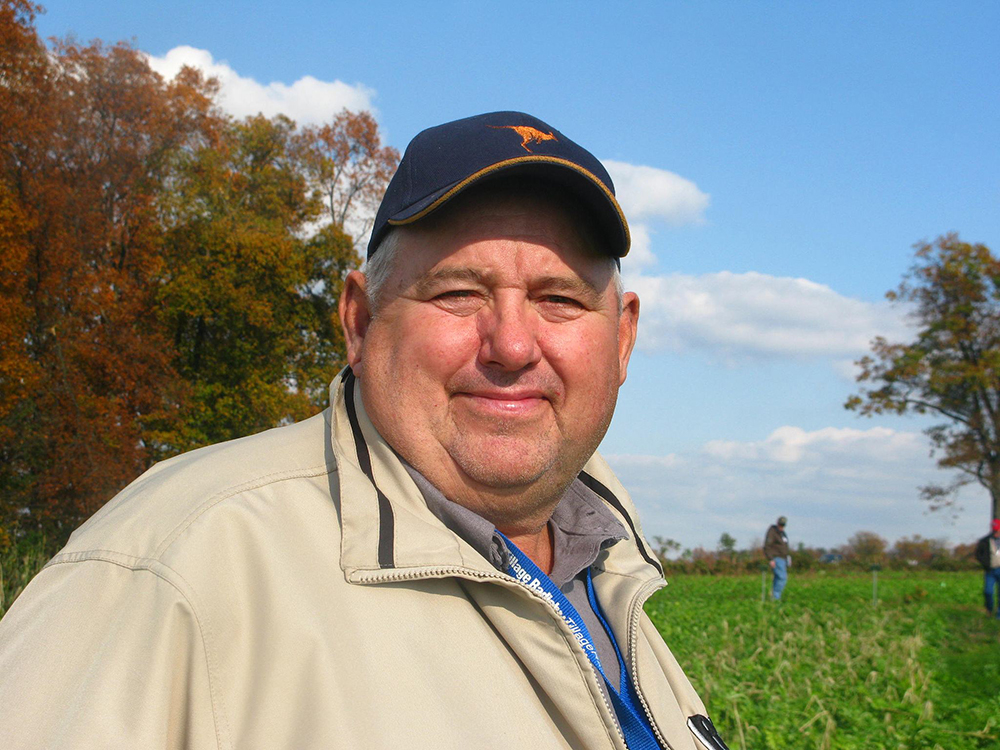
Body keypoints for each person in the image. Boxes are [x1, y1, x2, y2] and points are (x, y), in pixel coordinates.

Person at [0, 112, 729, 750]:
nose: (511, 345)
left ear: (623, 340)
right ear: (360, 320)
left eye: (559, 299)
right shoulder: (174, 565)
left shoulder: (606, 565)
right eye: (457, 293)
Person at [974, 518, 1000, 618]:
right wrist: (986, 564)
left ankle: (999, 616)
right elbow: (978, 555)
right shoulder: (984, 541)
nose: (995, 532)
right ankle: (989, 610)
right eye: (994, 530)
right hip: (990, 571)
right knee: (988, 591)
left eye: (997, 530)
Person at [764, 516, 790, 600]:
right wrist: (770, 559)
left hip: (783, 559)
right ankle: (776, 597)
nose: (782, 527)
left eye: (783, 525)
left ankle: (774, 599)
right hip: (776, 558)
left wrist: (787, 558)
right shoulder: (773, 532)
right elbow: (767, 546)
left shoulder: (783, 533)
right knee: (782, 578)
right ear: (777, 523)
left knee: (778, 578)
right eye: (780, 525)